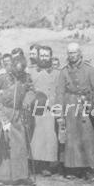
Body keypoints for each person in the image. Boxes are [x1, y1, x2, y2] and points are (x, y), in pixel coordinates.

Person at [55, 43, 94, 180]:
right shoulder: (64, 71)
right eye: (69, 53)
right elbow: (59, 93)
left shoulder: (89, 70)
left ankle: (88, 169)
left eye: (74, 53)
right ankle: (72, 168)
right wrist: (59, 113)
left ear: (80, 53)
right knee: (72, 139)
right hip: (70, 105)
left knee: (87, 137)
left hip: (85, 105)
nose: (72, 56)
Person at [0, 54, 35, 185]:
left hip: (18, 113)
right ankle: (2, 176)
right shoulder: (1, 77)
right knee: (4, 143)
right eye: (16, 70)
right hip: (4, 111)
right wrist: (1, 115)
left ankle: (20, 175)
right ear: (11, 66)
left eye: (21, 71)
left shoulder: (26, 77)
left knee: (20, 143)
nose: (18, 73)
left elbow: (31, 90)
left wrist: (27, 101)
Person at [29, 46, 60, 176]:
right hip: (35, 107)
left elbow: (59, 91)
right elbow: (28, 88)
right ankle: (34, 164)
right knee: (35, 135)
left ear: (50, 57)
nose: (43, 58)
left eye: (46, 55)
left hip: (49, 109)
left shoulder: (57, 73)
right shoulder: (31, 72)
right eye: (41, 55)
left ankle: (46, 165)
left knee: (49, 136)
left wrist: (51, 103)